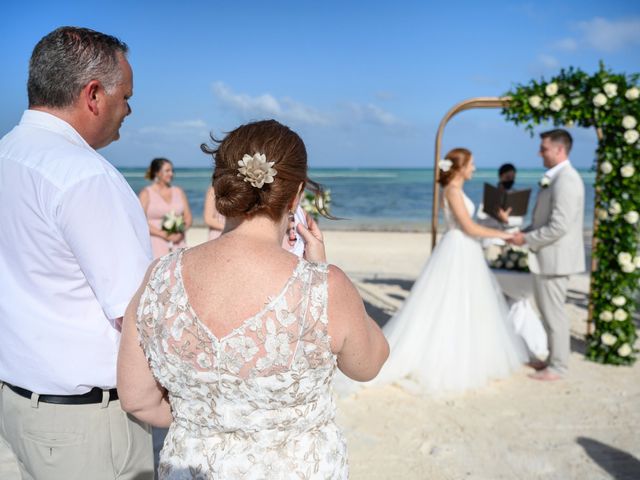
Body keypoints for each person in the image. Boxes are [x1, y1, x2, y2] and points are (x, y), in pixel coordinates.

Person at [117, 119, 389, 478]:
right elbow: (369, 363)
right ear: (297, 194)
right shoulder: (324, 287)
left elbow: (136, 397)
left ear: (220, 188)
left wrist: (207, 420)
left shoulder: (159, 277)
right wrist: (321, 270)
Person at [0, 26, 153, 479]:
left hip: (20, 404)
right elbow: (138, 311)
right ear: (93, 95)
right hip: (86, 423)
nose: (128, 109)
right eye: (125, 96)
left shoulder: (7, 155)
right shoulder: (85, 177)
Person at [369, 148, 528, 394]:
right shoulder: (452, 191)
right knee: (450, 302)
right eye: (472, 164)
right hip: (458, 248)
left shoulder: (457, 190)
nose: (474, 168)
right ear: (461, 167)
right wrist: (504, 235)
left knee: (468, 303)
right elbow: (468, 227)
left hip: (466, 248)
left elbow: (473, 224)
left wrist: (498, 221)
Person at [511, 129, 585, 381]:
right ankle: (552, 360)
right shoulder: (556, 178)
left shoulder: (567, 180)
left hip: (555, 260)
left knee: (555, 316)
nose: (539, 152)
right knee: (549, 314)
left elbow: (559, 226)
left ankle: (559, 367)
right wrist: (525, 232)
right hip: (548, 258)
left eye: (543, 148)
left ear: (559, 150)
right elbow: (545, 220)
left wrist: (526, 239)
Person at [139, 158, 193, 258]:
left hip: (179, 242)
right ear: (157, 173)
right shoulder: (146, 193)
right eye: (167, 171)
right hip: (155, 242)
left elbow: (188, 217)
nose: (171, 174)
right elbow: (140, 221)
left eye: (172, 171)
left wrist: (180, 231)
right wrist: (164, 235)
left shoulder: (178, 191)